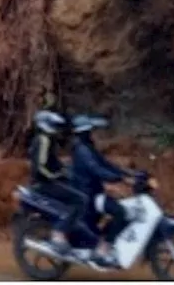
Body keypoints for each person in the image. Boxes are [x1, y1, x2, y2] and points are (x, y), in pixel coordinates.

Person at [69, 113, 134, 267]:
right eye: (90, 130)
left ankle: (103, 240)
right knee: (120, 212)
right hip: (88, 195)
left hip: (93, 192)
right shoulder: (82, 150)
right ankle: (103, 248)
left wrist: (127, 173)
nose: (93, 133)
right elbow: (97, 170)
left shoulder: (87, 147)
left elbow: (106, 164)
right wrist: (120, 179)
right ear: (84, 132)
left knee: (120, 211)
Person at [27, 110, 85, 256]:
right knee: (80, 199)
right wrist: (56, 175)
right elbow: (41, 166)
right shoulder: (43, 140)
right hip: (43, 184)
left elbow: (53, 162)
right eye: (54, 125)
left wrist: (65, 170)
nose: (57, 129)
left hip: (44, 181)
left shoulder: (46, 139)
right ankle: (59, 233)